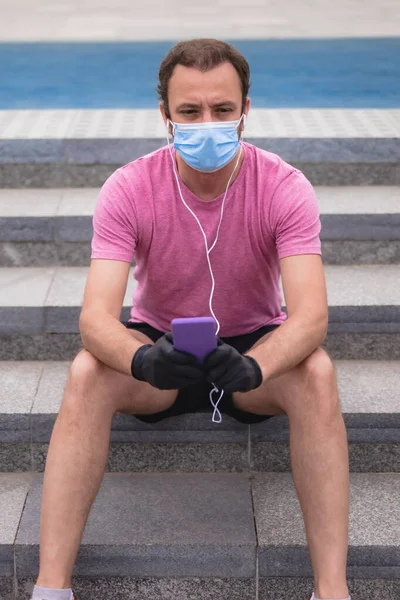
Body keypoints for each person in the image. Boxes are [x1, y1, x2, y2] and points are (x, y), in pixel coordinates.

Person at [31, 39, 351, 600]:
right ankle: (51, 588)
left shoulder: (284, 186)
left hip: (254, 353)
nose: (208, 123)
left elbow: (311, 316)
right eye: (190, 111)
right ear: (165, 115)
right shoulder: (129, 187)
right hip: (162, 351)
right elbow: (94, 318)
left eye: (223, 110)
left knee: (318, 372)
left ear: (246, 108)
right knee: (86, 371)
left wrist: (255, 366)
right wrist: (140, 358)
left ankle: (331, 591)